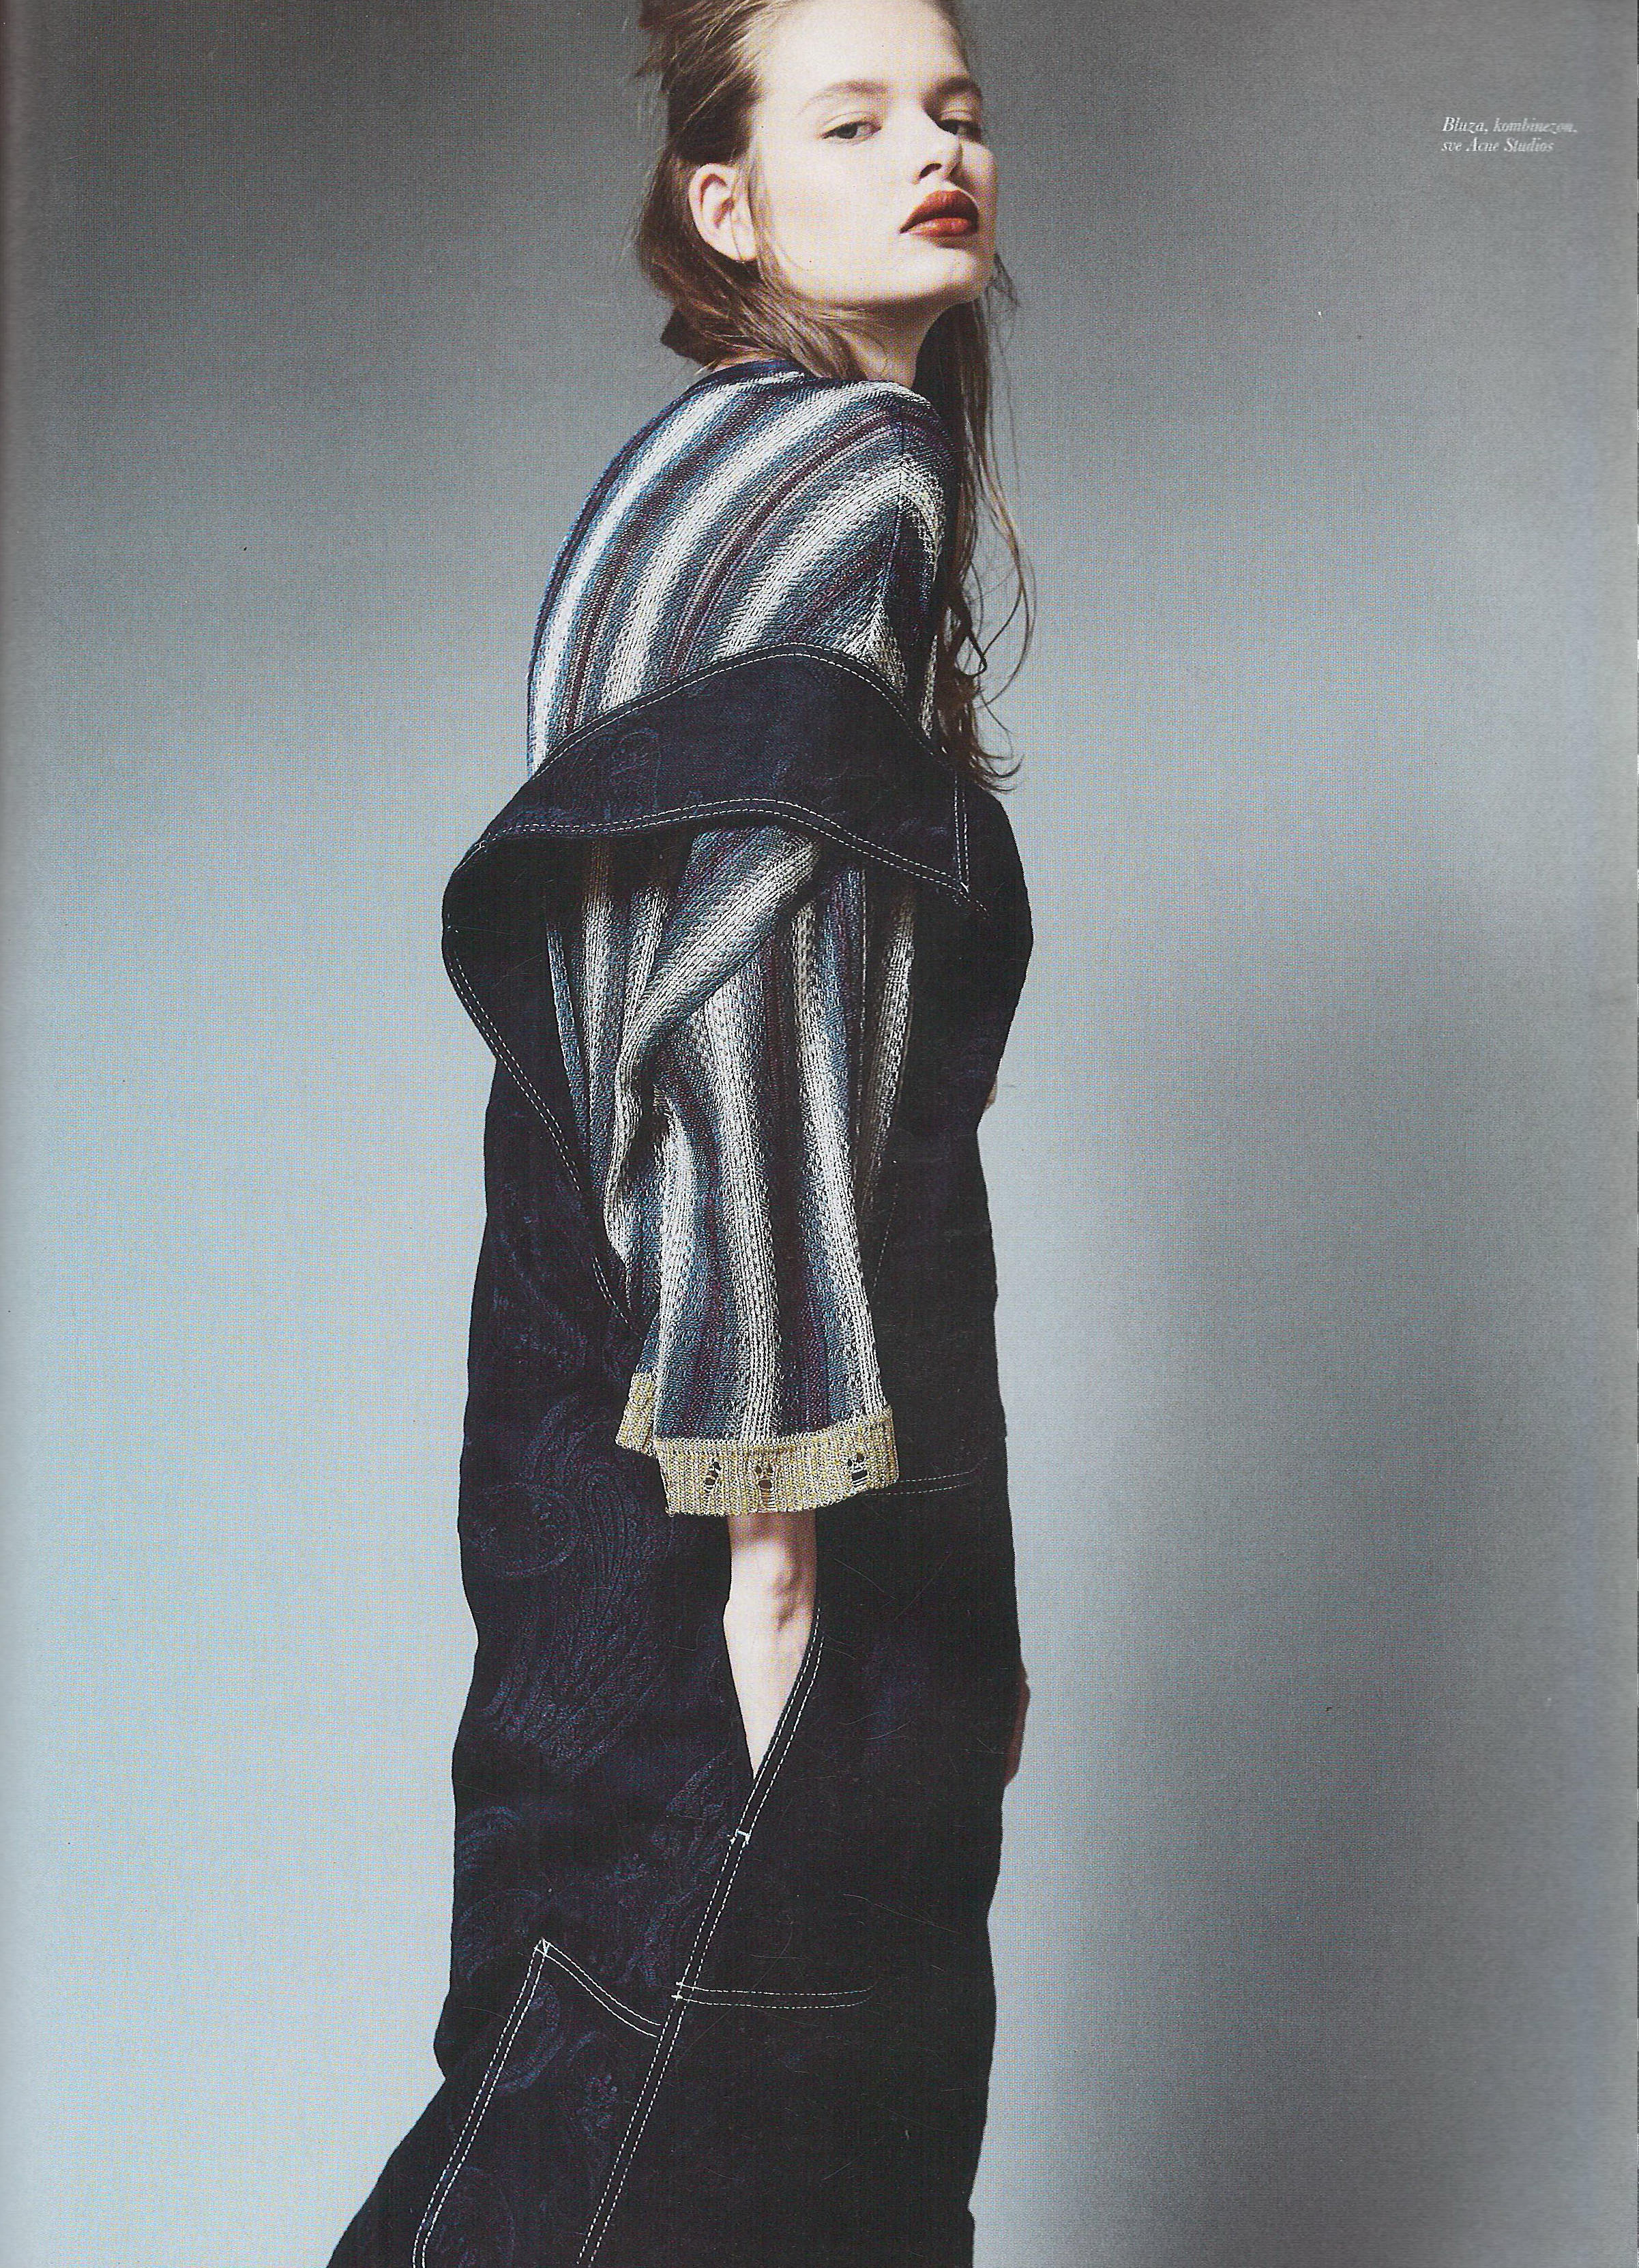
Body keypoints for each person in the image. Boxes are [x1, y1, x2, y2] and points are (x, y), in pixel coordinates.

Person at [327, 0, 1034, 2261]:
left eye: (954, 110)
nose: (932, 150)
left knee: (578, 2089)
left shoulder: (690, 470)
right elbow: (740, 993)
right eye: (855, 119)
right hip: (743, 1465)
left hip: (584, 1396)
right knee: (716, 2129)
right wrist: (780, 1546)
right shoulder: (847, 477)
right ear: (726, 204)